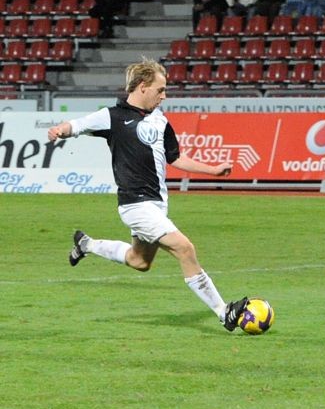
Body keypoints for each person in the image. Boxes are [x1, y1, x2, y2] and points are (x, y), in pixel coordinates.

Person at [46, 58, 250, 332]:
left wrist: (213, 170)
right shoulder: (113, 117)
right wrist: (61, 130)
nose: (164, 96)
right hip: (135, 205)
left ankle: (87, 245)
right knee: (185, 248)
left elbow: (175, 157)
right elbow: (77, 125)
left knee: (139, 261)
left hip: (156, 205)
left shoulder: (160, 120)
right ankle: (223, 312)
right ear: (143, 87)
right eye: (160, 89)